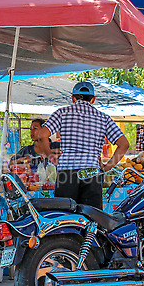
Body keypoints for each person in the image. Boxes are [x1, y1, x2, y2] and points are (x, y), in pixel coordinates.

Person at [38, 81, 129, 209]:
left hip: (67, 173)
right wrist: (107, 167)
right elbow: (124, 144)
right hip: (92, 173)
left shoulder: (62, 113)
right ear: (93, 99)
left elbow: (42, 135)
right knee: (92, 217)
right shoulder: (103, 118)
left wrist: (51, 156)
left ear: (73, 98)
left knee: (65, 216)